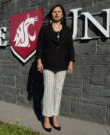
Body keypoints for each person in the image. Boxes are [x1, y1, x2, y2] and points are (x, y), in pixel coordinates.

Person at [35, 4, 75, 132]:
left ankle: (54, 117)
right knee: (48, 91)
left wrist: (71, 62)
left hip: (63, 65)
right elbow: (39, 46)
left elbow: (71, 48)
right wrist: (39, 61)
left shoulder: (67, 30)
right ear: (51, 14)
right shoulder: (45, 29)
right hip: (48, 64)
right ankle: (46, 118)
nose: (56, 13)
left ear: (62, 15)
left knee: (58, 91)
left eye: (59, 12)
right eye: (54, 12)